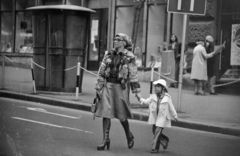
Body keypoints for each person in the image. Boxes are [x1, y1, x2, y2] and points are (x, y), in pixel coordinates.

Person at [94, 33, 141, 150]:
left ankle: (129, 135)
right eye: (114, 39)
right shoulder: (108, 53)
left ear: (124, 42)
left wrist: (137, 92)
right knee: (106, 113)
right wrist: (99, 87)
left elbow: (133, 74)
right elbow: (101, 70)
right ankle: (105, 139)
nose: (115, 41)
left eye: (118, 39)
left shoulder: (130, 56)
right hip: (108, 85)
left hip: (121, 87)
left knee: (122, 115)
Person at [135, 79, 178, 153]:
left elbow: (171, 107)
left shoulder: (167, 98)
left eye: (158, 86)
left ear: (163, 88)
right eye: (155, 86)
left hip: (162, 118)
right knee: (154, 131)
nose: (156, 88)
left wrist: (175, 116)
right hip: (155, 118)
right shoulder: (153, 96)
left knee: (157, 132)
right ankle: (164, 141)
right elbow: (146, 101)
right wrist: (139, 98)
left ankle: (154, 147)